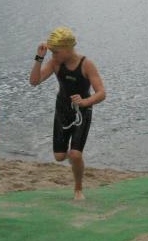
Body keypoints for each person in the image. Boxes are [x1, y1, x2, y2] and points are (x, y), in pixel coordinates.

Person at [29, 26, 106, 200]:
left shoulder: (86, 64)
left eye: (55, 52)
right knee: (59, 157)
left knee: (75, 154)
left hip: (81, 112)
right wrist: (39, 58)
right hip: (62, 110)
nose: (53, 55)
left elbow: (101, 93)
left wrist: (85, 102)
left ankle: (78, 188)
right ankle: (75, 160)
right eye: (52, 52)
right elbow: (34, 81)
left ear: (68, 48)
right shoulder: (55, 63)